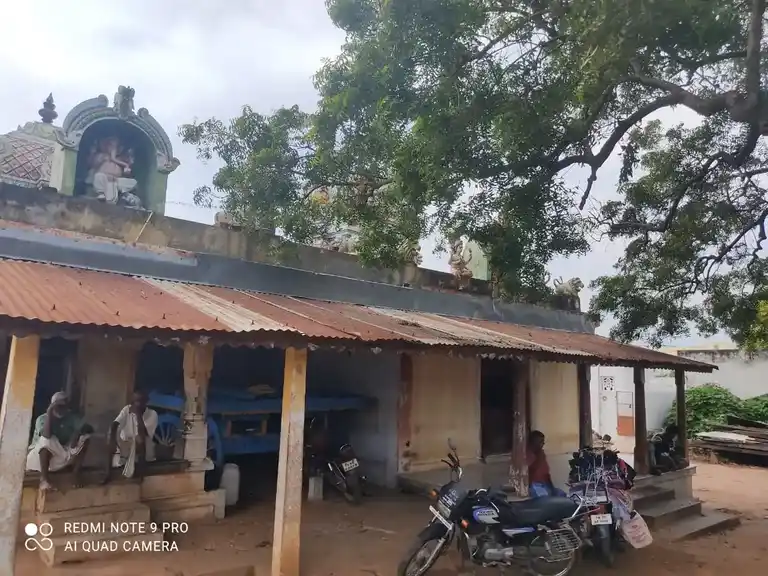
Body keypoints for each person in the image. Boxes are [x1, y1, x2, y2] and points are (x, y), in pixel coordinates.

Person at [26, 391, 93, 491]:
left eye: (64, 406)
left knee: (85, 437)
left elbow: (90, 429)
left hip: (59, 458)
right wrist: (50, 413)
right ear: (52, 406)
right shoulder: (42, 419)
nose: (61, 409)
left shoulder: (70, 417)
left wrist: (77, 433)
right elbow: (47, 435)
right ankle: (44, 479)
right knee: (47, 440)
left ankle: (75, 474)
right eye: (59, 406)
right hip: (37, 461)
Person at [104, 391, 158, 483]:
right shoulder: (127, 409)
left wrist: (138, 415)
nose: (137, 404)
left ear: (146, 402)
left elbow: (143, 434)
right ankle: (107, 474)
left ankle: (141, 475)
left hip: (143, 446)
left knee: (139, 439)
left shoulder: (152, 414)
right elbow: (115, 424)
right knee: (110, 438)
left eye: (140, 401)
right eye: (135, 401)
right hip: (127, 444)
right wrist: (112, 439)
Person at [527, 430, 567, 498]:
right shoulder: (529, 454)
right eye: (541, 441)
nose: (543, 443)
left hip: (546, 484)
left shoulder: (541, 453)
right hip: (535, 485)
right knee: (545, 499)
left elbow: (546, 474)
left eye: (543, 441)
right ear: (534, 442)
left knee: (562, 495)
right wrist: (539, 457)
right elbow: (531, 471)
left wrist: (552, 489)